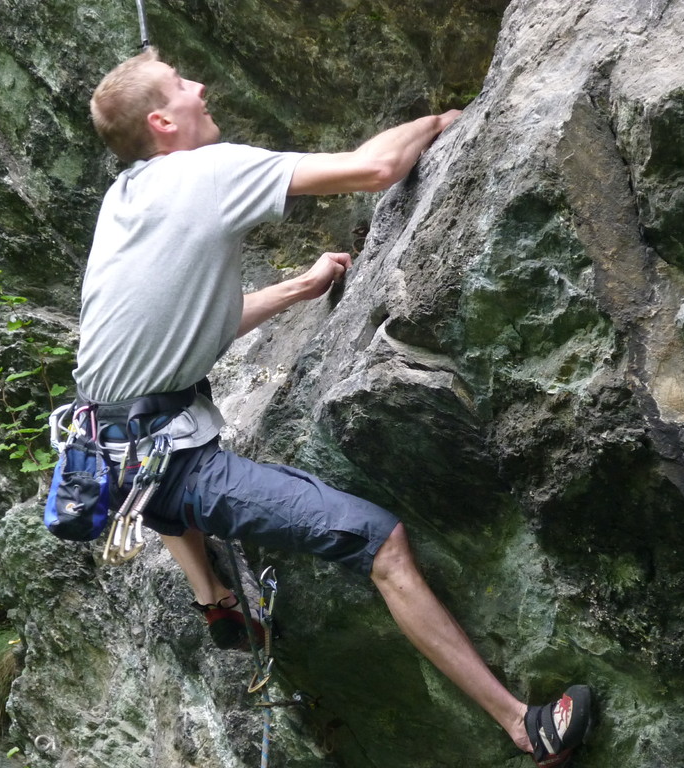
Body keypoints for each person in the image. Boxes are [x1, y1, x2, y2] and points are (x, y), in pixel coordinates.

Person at [74, 47, 592, 766]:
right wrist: (447, 118)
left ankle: (214, 597)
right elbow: (375, 168)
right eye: (181, 84)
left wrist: (293, 289)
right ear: (162, 121)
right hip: (173, 461)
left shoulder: (126, 196)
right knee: (383, 544)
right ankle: (521, 725)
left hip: (104, 445)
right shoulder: (205, 170)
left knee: (170, 437)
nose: (201, 84)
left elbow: (184, 323)